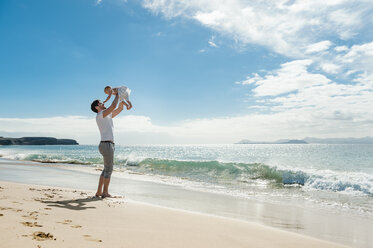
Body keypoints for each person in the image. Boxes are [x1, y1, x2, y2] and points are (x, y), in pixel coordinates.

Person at [90, 94, 125, 198]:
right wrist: (117, 94)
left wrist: (122, 103)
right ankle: (105, 193)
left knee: (106, 169)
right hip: (107, 145)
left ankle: (99, 192)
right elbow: (113, 106)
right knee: (109, 170)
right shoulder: (101, 114)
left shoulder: (106, 115)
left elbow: (118, 109)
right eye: (100, 103)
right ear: (97, 107)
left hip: (106, 145)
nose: (103, 103)